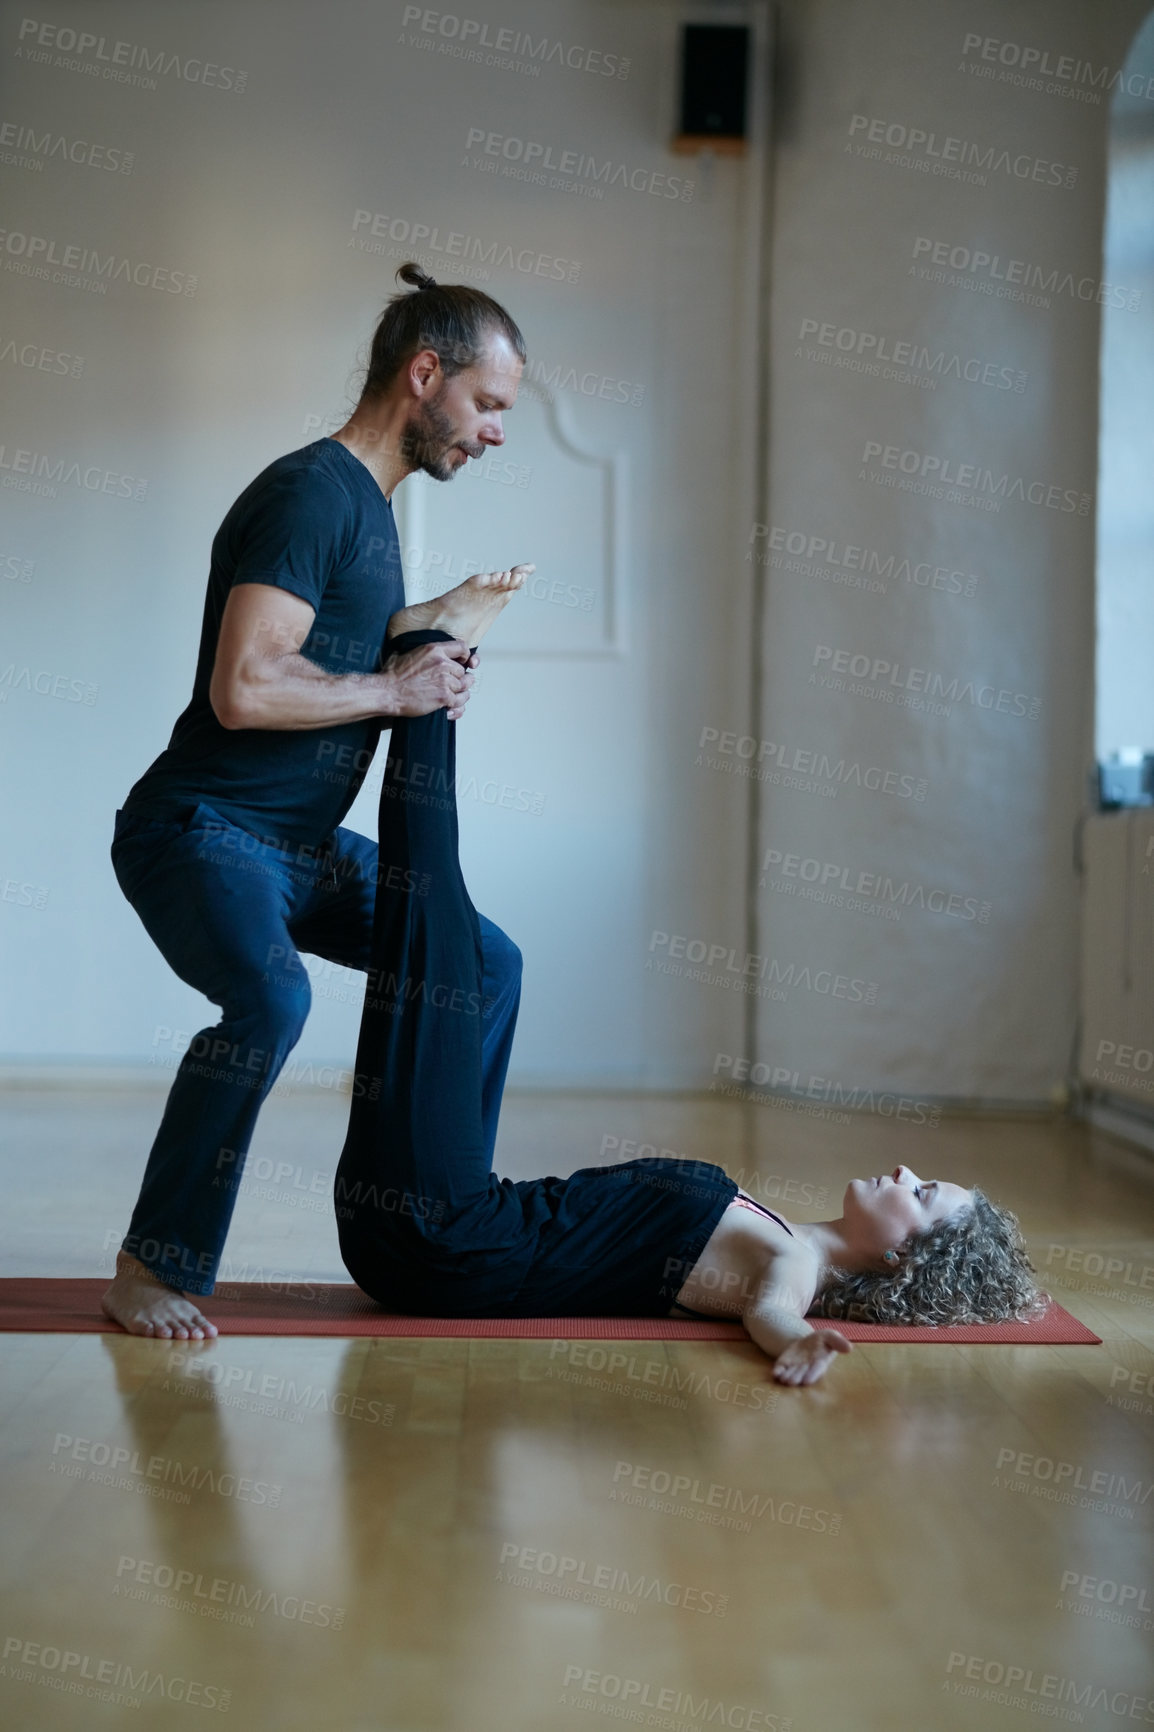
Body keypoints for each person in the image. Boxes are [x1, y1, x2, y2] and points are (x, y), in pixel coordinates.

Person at [334, 609, 1049, 1388]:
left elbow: (773, 1313)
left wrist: (796, 1344)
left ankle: (427, 654)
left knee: (430, 920)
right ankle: (397, 692)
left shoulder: (789, 1262)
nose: (907, 1171)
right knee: (469, 959)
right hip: (439, 1230)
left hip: (444, 1240)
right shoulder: (779, 1232)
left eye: (923, 1194)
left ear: (902, 1253)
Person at [103, 261, 532, 1339]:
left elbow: (338, 649)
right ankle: (151, 1265)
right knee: (270, 1003)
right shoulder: (309, 492)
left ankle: (442, 1214)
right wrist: (396, 685)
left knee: (480, 964)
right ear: (423, 374)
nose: (493, 433)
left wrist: (440, 620)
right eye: (486, 404)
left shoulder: (370, 512)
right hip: (201, 832)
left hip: (296, 845)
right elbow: (245, 686)